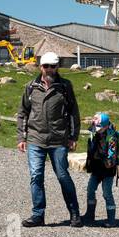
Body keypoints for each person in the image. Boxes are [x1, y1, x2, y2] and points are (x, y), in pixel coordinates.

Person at [16, 52, 82, 227]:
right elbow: (23, 113)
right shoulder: (31, 87)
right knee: (36, 176)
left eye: (53, 66)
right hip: (36, 139)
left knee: (62, 176)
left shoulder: (65, 87)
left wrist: (73, 136)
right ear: (40, 67)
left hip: (58, 140)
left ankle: (74, 213)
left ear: (57, 67)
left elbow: (74, 113)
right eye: (46, 66)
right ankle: (38, 215)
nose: (49, 70)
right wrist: (22, 137)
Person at [84, 112, 119, 227]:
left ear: (106, 126)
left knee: (107, 193)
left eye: (100, 127)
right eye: (96, 126)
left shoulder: (112, 137)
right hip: (96, 168)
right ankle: (89, 215)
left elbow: (112, 156)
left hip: (107, 170)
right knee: (90, 189)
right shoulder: (94, 132)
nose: (97, 129)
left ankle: (111, 219)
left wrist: (107, 163)